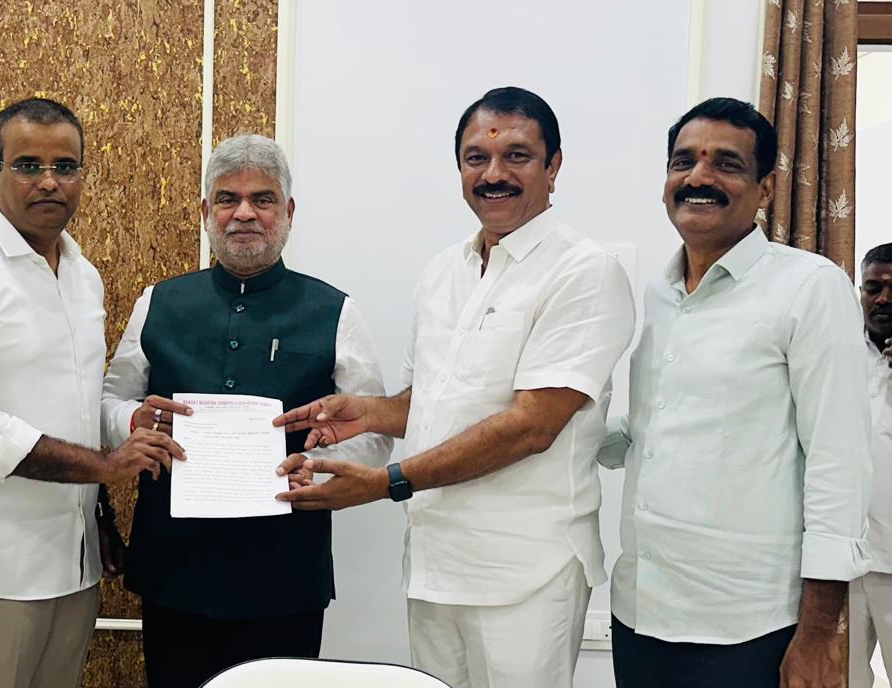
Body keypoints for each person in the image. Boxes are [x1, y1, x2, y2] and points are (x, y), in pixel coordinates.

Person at [275, 87, 635, 688]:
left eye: (516, 156)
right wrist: (367, 414)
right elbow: (429, 404)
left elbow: (532, 426)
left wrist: (387, 482)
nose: (493, 174)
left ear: (553, 166)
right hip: (435, 563)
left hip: (527, 572)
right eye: (476, 158)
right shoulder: (444, 271)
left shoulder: (584, 272)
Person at [101, 133, 392, 688]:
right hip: (174, 567)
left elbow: (374, 434)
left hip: (285, 572)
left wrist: (321, 469)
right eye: (228, 199)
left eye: (262, 199)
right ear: (205, 212)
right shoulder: (158, 302)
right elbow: (110, 403)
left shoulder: (336, 310)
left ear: (289, 212)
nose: (244, 213)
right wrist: (135, 424)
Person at [597, 97, 870, 688]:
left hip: (747, 628)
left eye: (726, 163)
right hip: (639, 613)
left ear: (765, 189)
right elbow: (651, 430)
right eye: (684, 161)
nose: (699, 177)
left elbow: (839, 465)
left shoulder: (808, 287)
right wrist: (552, 421)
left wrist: (818, 636)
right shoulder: (660, 293)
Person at [0, 97, 180, 688]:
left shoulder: (84, 276)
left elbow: (79, 407)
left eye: (65, 166)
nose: (49, 181)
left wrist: (123, 445)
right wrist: (107, 466)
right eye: (28, 165)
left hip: (75, 562)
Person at [853, 243, 892, 688]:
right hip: (842, 560)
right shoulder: (839, 353)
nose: (883, 299)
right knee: (841, 678)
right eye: (873, 288)